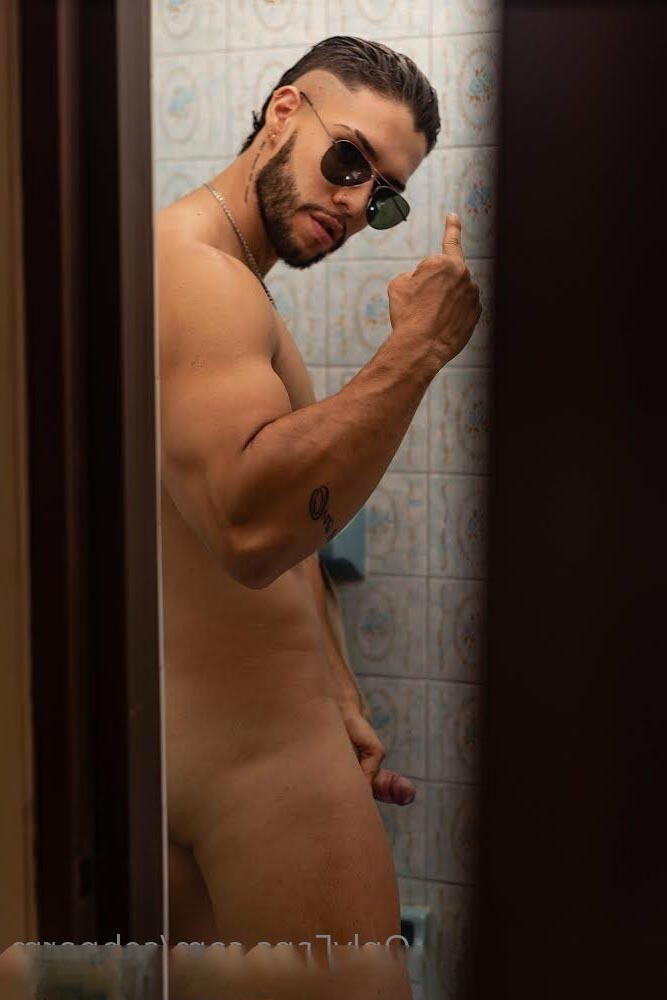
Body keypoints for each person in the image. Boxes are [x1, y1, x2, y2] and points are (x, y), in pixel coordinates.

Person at [156, 35, 481, 997]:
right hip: (256, 768)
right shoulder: (198, 276)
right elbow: (250, 526)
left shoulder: (222, 281)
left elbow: (276, 540)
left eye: (382, 197)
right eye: (349, 160)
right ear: (284, 111)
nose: (353, 203)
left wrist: (338, 686)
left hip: (234, 755)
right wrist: (417, 350)